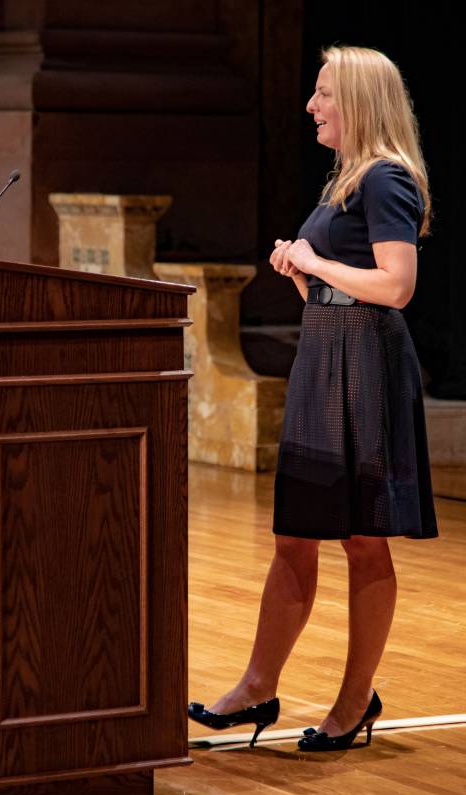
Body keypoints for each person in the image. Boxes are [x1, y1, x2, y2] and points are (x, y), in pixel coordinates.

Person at [188, 44, 439, 752]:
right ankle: (256, 687)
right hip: (326, 356)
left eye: (324, 93)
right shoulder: (346, 181)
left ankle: (356, 700)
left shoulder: (385, 178)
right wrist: (304, 275)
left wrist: (315, 259)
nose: (311, 106)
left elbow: (396, 286)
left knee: (362, 539)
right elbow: (342, 283)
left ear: (356, 100)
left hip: (365, 367)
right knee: (294, 532)